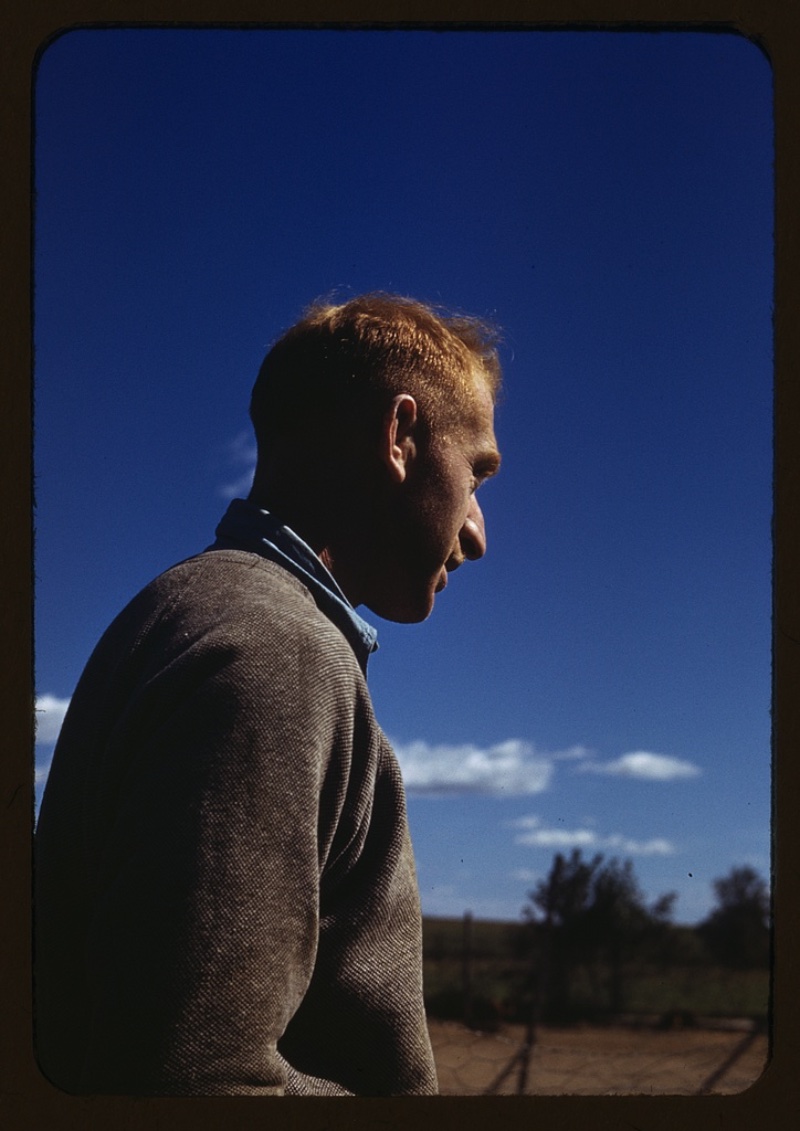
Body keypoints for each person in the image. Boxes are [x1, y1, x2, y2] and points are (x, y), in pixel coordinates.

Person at [34, 292, 502, 1097]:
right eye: (476, 472)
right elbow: (197, 1082)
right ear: (401, 437)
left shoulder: (185, 610)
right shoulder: (276, 653)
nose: (477, 532)